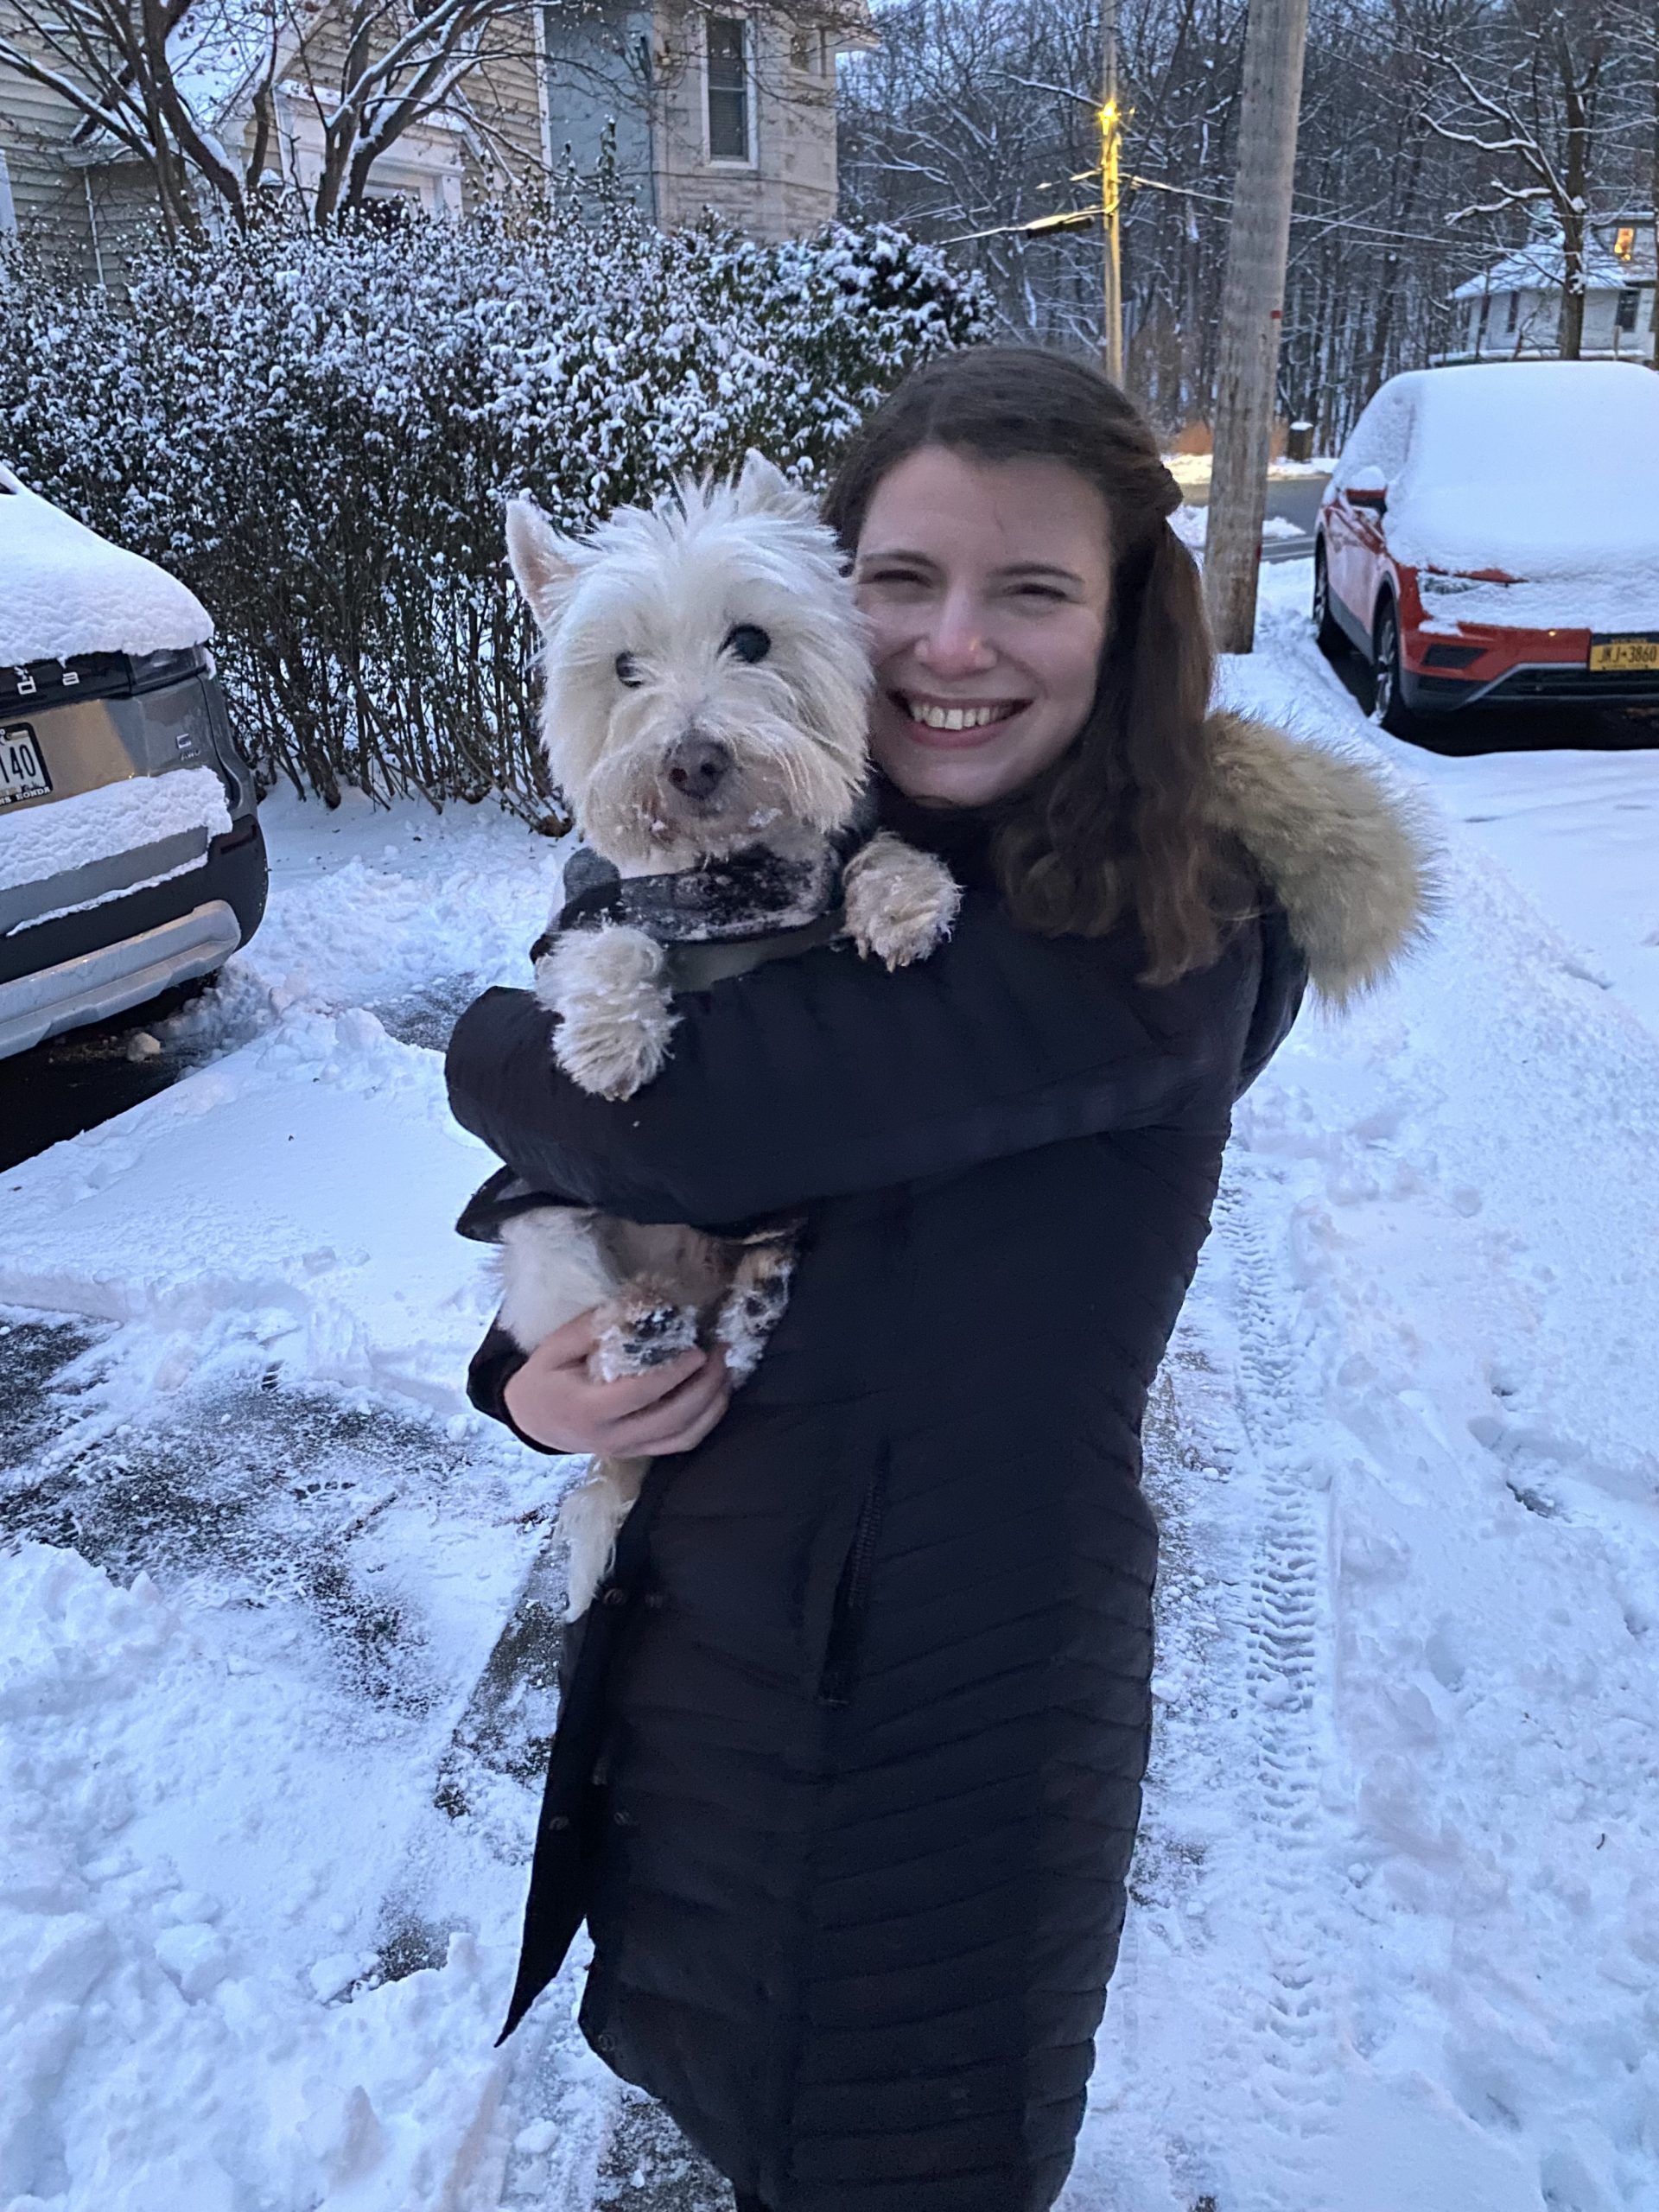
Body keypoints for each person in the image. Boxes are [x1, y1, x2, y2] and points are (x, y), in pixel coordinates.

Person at [445, 346, 1433, 2212]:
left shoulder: (1159, 918)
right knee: (748, 2106)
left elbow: (688, 1125)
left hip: (938, 1721)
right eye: (903, 583)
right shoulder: (840, 849)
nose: (952, 645)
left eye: (1033, 588)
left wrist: (476, 1038)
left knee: (893, 2147)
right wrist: (525, 1379)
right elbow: (590, 1172)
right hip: (718, 1665)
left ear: (1131, 616)